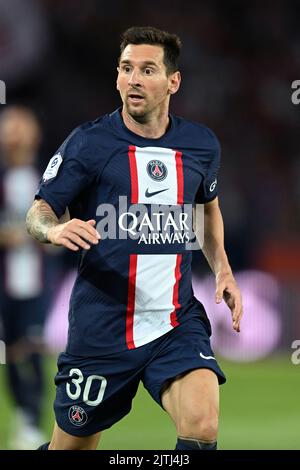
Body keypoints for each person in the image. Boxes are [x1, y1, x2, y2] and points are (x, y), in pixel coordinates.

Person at [26, 26, 243, 451]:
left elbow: (207, 208)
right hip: (102, 327)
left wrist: (224, 271)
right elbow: (38, 211)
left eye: (147, 70)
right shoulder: (89, 143)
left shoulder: (200, 145)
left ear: (173, 81)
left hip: (175, 320)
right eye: (127, 69)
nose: (134, 80)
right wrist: (54, 229)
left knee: (202, 426)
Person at [0, 106, 48, 449]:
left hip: (38, 278)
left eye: (19, 127)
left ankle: (34, 419)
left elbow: (63, 220)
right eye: (8, 128)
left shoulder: (48, 177)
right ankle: (23, 414)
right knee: (12, 351)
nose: (13, 134)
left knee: (32, 347)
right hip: (6, 279)